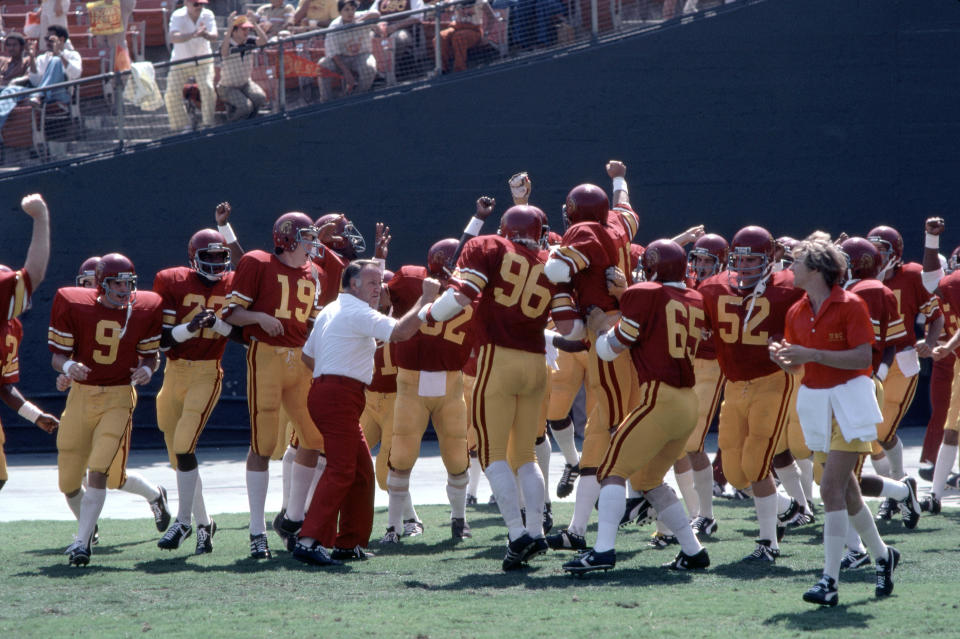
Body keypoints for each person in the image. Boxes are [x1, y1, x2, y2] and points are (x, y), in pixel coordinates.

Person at [426, 204, 580, 571]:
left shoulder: (489, 246)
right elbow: (571, 329)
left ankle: (516, 534)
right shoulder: (550, 263)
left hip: (497, 360)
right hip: (536, 366)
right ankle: (536, 527)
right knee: (525, 454)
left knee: (492, 454)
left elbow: (460, 297)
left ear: (505, 228)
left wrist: (427, 313)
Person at [562, 240, 709, 574]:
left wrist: (600, 327)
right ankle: (693, 550)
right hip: (687, 403)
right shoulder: (694, 298)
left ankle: (602, 551)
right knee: (649, 479)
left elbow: (610, 349)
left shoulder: (644, 294)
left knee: (611, 470)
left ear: (655, 267)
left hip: (658, 398)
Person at [770, 232, 900, 606]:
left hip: (850, 400)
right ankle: (882, 556)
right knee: (845, 490)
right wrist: (785, 358)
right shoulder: (797, 310)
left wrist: (810, 353)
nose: (790, 268)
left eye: (796, 262)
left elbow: (863, 358)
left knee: (828, 489)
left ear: (816, 269)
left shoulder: (852, 304)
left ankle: (829, 580)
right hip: (818, 401)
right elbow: (802, 365)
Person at [292, 259, 439, 566]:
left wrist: (331, 375)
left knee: (360, 473)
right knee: (342, 470)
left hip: (333, 393)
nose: (379, 289)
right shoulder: (356, 311)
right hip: (338, 397)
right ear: (354, 284)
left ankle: (348, 544)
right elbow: (399, 332)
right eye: (373, 283)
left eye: (380, 283)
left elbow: (308, 357)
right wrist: (425, 301)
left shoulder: (333, 309)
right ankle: (308, 540)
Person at [543, 162, 637, 553]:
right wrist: (619, 178)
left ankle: (676, 531)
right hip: (611, 333)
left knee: (607, 431)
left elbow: (555, 268)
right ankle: (579, 529)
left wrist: (552, 259)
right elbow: (627, 210)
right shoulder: (617, 225)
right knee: (609, 430)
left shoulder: (585, 231)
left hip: (609, 333)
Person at [697, 225, 804, 562]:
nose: (744, 268)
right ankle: (788, 507)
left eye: (752, 260)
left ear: (770, 257)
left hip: (772, 380)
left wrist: (793, 347)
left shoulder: (789, 288)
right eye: (739, 261)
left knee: (757, 461)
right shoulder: (713, 288)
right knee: (733, 468)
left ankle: (768, 542)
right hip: (734, 383)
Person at [49, 253, 164, 566]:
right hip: (81, 396)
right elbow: (58, 356)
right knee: (69, 480)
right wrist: (70, 366)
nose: (125, 289)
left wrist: (148, 370)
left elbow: (150, 355)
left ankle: (82, 542)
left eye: (129, 282)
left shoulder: (144, 308)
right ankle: (88, 530)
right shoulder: (76, 305)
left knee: (100, 470)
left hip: (118, 395)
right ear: (102, 284)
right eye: (118, 283)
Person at [224, 212, 324, 560]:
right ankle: (256, 530)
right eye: (308, 236)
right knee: (264, 444)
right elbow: (231, 314)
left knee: (315, 439)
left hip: (301, 361)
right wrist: (259, 317)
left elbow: (314, 323)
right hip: (265, 357)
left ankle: (292, 520)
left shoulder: (315, 273)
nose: (313, 243)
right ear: (288, 238)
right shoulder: (257, 262)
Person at [381, 238, 474, 543]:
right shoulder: (410, 279)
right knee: (402, 454)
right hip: (412, 381)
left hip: (450, 382)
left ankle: (459, 520)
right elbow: (380, 296)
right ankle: (393, 526)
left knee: (458, 456)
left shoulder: (472, 291)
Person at [152, 224, 238, 555]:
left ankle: (184, 521)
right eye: (210, 258)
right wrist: (190, 327)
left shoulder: (233, 285)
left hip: (206, 373)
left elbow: (243, 336)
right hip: (175, 372)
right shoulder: (172, 281)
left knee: (185, 444)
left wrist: (217, 324)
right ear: (194, 258)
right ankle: (205, 524)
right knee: (179, 454)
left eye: (221, 258)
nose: (217, 265)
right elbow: (162, 340)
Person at [866, 224, 942, 522]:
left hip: (901, 360)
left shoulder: (911, 275)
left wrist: (931, 342)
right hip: (868, 360)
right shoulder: (863, 278)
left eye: (881, 251)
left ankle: (897, 488)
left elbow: (935, 315)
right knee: (867, 436)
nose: (874, 257)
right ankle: (899, 488)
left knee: (881, 432)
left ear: (895, 254)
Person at [674, 233, 728, 537]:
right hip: (686, 363)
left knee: (691, 442)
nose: (702, 265)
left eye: (709, 260)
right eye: (699, 259)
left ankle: (702, 514)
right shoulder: (689, 283)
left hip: (711, 365)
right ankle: (696, 513)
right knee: (679, 444)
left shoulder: (725, 289)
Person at [164, 0, 218, 132]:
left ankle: (208, 125)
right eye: (196, 4)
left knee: (208, 87)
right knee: (171, 93)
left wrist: (204, 34)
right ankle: (182, 126)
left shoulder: (208, 14)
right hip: (180, 61)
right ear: (186, 3)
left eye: (202, 4)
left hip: (203, 61)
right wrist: (193, 34)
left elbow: (214, 36)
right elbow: (173, 37)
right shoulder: (177, 15)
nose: (199, 7)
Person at [317, 0, 380, 101]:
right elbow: (333, 54)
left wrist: (358, 22)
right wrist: (347, 73)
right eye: (346, 10)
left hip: (361, 55)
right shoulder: (334, 26)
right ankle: (326, 100)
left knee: (370, 67)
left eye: (352, 9)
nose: (350, 12)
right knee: (323, 64)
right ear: (340, 12)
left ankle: (357, 97)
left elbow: (376, 13)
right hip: (341, 58)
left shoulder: (360, 16)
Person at [217, 13, 268, 121]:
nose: (247, 32)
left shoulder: (249, 40)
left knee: (260, 98)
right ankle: (231, 125)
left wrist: (255, 24)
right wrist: (230, 27)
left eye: (248, 29)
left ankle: (251, 121)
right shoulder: (227, 43)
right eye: (243, 29)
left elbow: (264, 41)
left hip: (245, 84)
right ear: (234, 31)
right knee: (246, 107)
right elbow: (224, 52)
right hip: (227, 88)